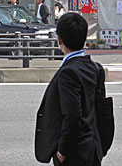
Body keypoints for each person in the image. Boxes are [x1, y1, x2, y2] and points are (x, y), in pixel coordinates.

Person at [35, 13, 103, 166]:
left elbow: (72, 115)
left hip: (74, 153)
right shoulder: (95, 68)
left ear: (59, 40)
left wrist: (61, 152)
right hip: (92, 148)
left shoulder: (68, 72)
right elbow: (99, 110)